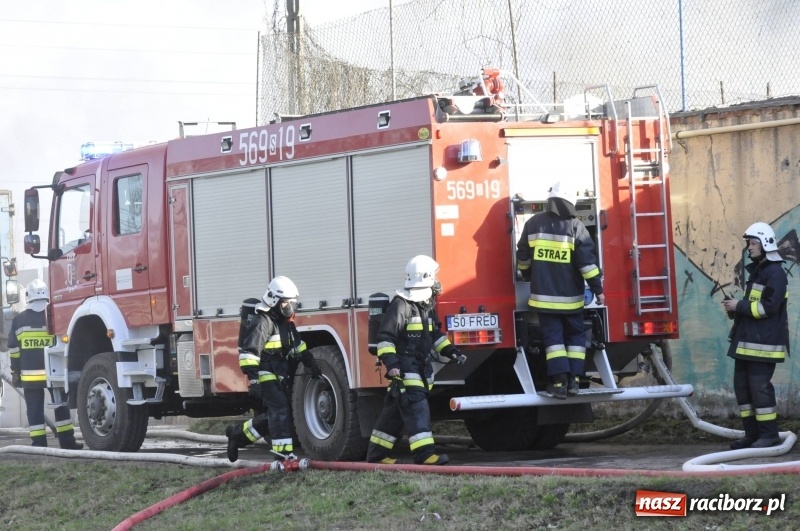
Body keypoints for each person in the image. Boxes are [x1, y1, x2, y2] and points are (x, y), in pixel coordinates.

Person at [366, 255, 466, 466]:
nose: (438, 282)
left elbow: (435, 334)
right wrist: (392, 365)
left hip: (419, 366)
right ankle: (425, 455)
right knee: (417, 407)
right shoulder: (401, 305)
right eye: (435, 277)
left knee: (393, 415)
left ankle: (376, 455)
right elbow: (385, 338)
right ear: (427, 278)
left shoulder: (426, 306)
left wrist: (452, 351)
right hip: (405, 367)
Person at [515, 181, 604, 399]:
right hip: (572, 300)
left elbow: (523, 257)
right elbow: (587, 265)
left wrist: (526, 274)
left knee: (553, 341)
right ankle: (574, 381)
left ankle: (558, 382)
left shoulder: (534, 223)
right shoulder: (576, 227)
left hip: (543, 300)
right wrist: (598, 289)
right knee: (575, 339)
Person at [225, 276, 321, 462]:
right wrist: (254, 381)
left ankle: (237, 436)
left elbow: (297, 346)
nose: (290, 307)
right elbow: (249, 354)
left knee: (274, 415)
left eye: (292, 303)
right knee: (281, 410)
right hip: (266, 374)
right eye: (286, 303)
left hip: (280, 374)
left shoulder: (285, 324)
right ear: (274, 301)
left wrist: (311, 364)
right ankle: (283, 454)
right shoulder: (263, 321)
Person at [722, 222, 788, 450]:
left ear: (765, 244)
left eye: (752, 243)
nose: (749, 248)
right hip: (747, 343)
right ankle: (752, 435)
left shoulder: (775, 273)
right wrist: (735, 310)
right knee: (743, 388)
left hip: (764, 344)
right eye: (749, 243)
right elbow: (753, 306)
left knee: (760, 390)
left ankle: (769, 436)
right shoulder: (759, 271)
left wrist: (738, 306)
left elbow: (768, 308)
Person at [8, 279, 83, 450]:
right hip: (54, 373)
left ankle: (39, 445)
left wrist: (15, 372)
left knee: (34, 411)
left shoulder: (19, 320)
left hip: (29, 376)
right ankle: (67, 442)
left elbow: (13, 349)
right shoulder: (56, 316)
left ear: (28, 297)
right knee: (61, 408)